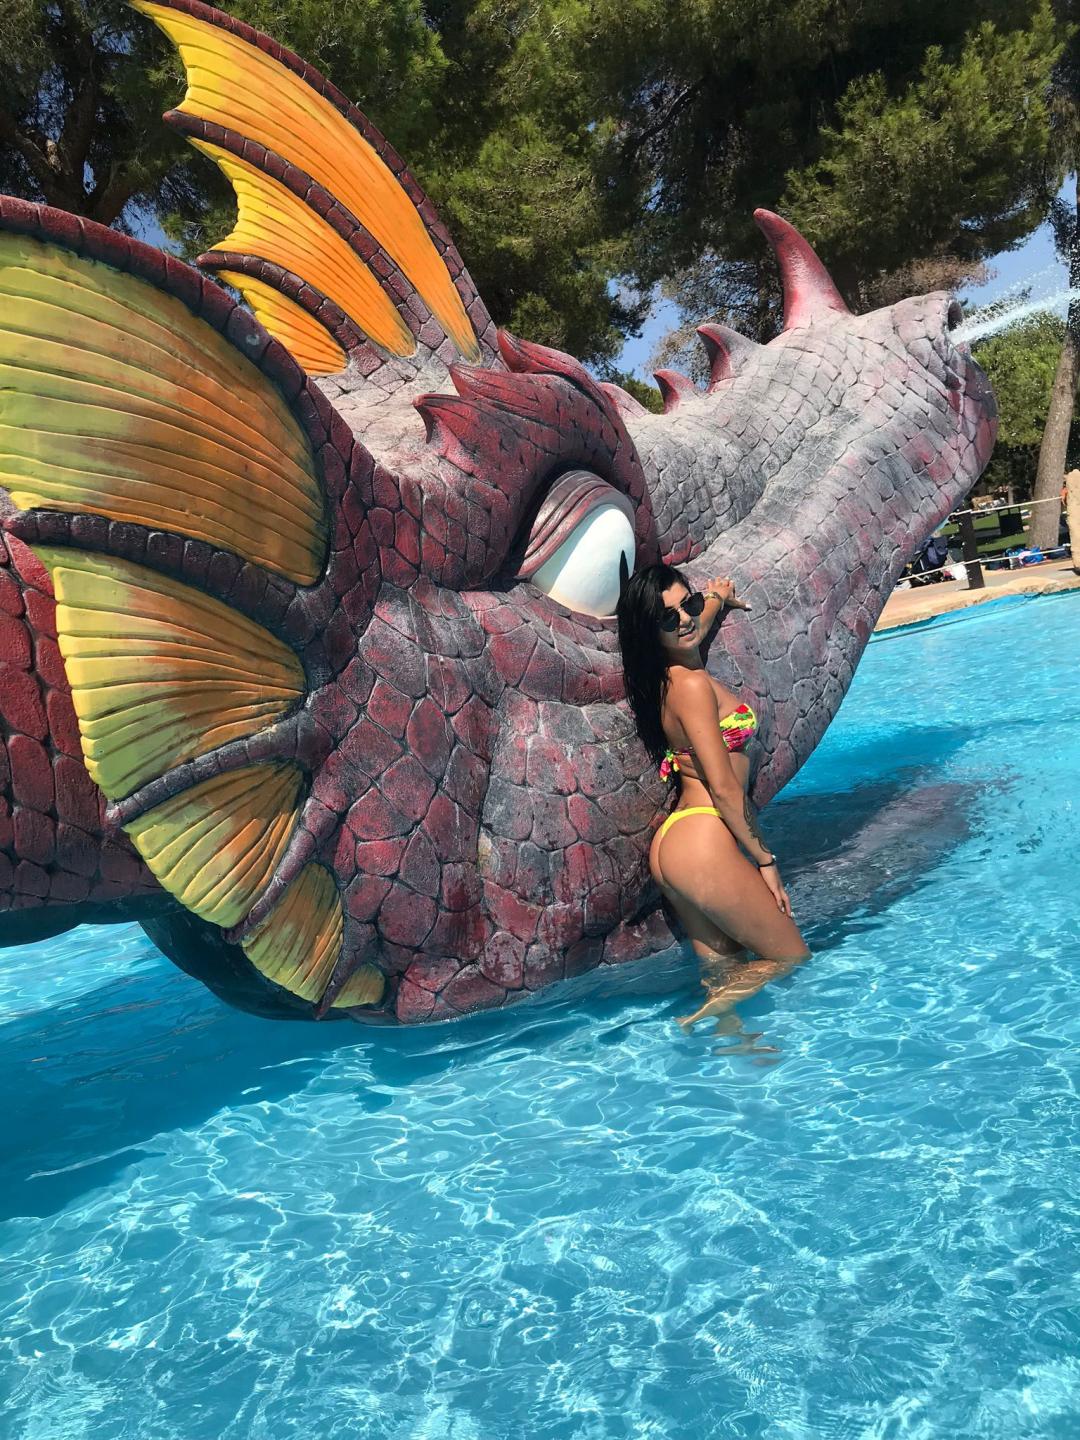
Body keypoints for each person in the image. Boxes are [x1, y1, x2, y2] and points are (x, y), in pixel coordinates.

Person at [616, 564, 810, 1027]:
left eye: (689, 604)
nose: (685, 619)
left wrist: (717, 597)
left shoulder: (669, 674)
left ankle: (742, 1053)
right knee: (790, 957)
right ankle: (701, 1015)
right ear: (650, 632)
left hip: (676, 845)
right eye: (669, 617)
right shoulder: (692, 685)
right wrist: (765, 860)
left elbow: (691, 627)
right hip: (703, 842)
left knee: (726, 974)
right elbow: (723, 788)